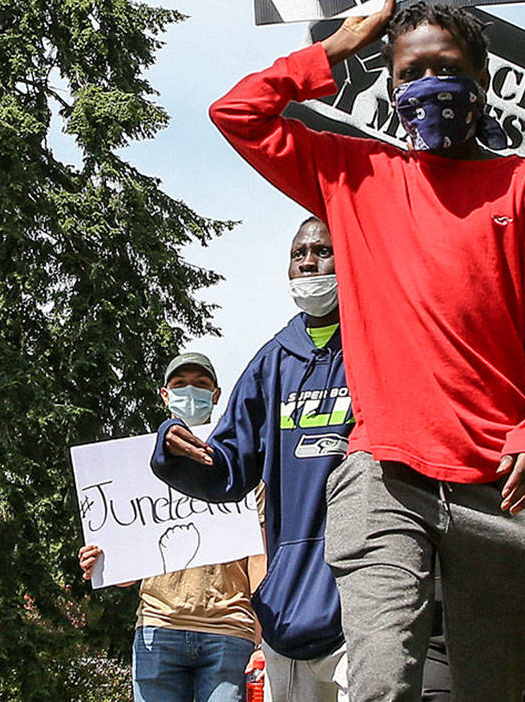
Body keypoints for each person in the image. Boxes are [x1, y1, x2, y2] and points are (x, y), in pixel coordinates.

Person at [210, 0, 525, 702]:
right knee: (381, 683)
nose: (428, 86)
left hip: (500, 490)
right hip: (382, 476)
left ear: (481, 83)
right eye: (410, 71)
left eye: (445, 68)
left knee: (493, 690)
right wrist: (335, 47)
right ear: (389, 88)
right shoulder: (356, 175)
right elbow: (238, 114)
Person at [151, 218, 352, 702]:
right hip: (290, 604)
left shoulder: (377, 348)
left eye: (323, 250)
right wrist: (173, 447)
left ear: (349, 258)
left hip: (362, 592)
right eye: (298, 252)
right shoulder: (272, 362)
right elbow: (227, 467)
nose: (308, 262)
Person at [82, 351, 265, 702]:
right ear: (164, 395)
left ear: (216, 394)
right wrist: (100, 560)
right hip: (158, 629)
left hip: (229, 631)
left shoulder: (242, 468)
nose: (190, 392)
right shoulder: (138, 467)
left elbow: (259, 556)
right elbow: (125, 573)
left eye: (201, 384)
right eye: (180, 385)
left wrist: (264, 636)